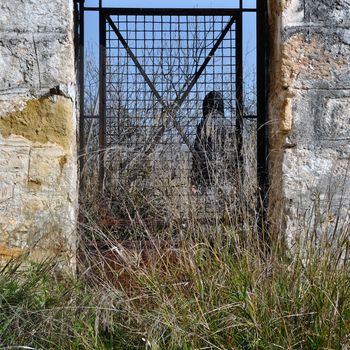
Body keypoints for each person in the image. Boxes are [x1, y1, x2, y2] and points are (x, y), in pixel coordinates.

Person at [191, 91, 233, 194]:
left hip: (205, 177)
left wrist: (194, 181)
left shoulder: (204, 125)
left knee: (205, 208)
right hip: (225, 176)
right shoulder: (228, 125)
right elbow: (234, 154)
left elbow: (197, 153)